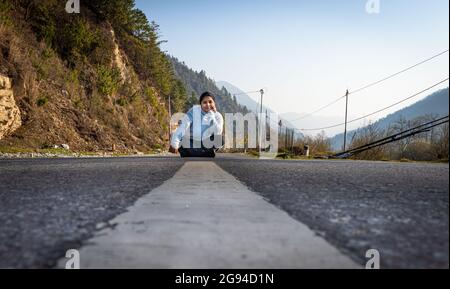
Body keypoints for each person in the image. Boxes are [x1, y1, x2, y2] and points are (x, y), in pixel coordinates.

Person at [169, 92, 224, 158]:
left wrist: (212, 116)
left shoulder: (218, 116)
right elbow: (183, 126)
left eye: (210, 102)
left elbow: (217, 133)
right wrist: (175, 143)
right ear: (200, 104)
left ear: (214, 103)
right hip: (192, 141)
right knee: (183, 141)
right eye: (204, 102)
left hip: (206, 143)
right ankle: (205, 153)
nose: (208, 104)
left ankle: (193, 152)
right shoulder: (194, 111)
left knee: (220, 140)